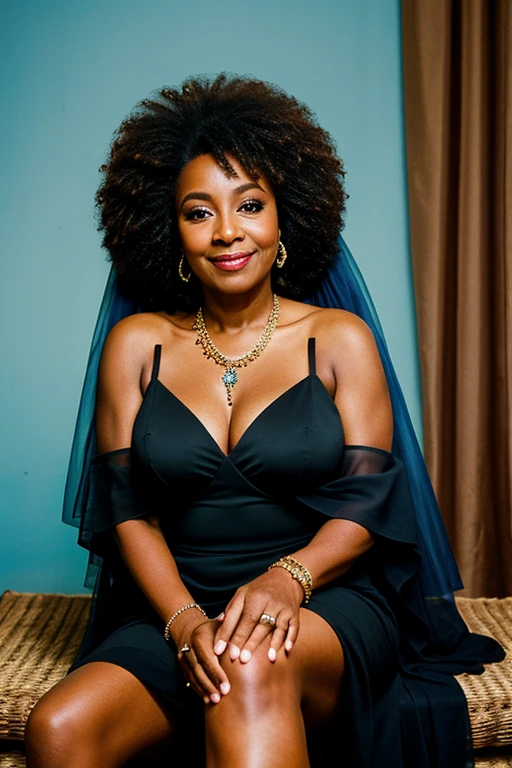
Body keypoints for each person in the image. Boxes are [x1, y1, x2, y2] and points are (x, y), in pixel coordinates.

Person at [25, 74, 503, 768]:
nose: (226, 232)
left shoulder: (338, 341)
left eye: (249, 205)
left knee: (249, 661)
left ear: (285, 219)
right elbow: (128, 513)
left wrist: (289, 578)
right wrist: (186, 620)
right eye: (198, 212)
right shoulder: (137, 347)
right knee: (60, 729)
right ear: (170, 231)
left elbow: (369, 504)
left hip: (323, 601)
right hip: (174, 606)